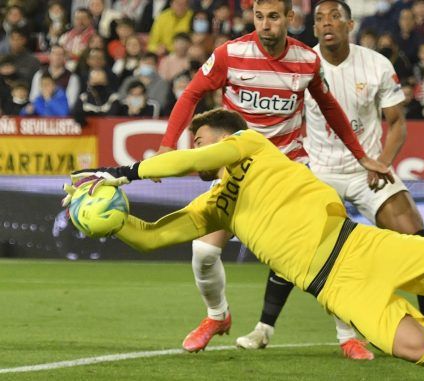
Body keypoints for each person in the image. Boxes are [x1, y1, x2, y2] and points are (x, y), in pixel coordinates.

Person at [65, 107, 424, 381]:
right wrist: (109, 221)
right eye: (198, 145)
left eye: (203, 139)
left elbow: (188, 160)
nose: (199, 151)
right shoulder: (217, 206)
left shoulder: (252, 145)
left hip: (362, 245)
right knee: (415, 350)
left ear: (226, 136)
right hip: (337, 286)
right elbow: (153, 235)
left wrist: (123, 171)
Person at [155, 0, 391, 357]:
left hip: (287, 173)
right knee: (203, 251)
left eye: (274, 17)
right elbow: (191, 94)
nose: (266, 24)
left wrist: (362, 156)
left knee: (325, 252)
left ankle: (348, 336)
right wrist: (167, 144)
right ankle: (217, 316)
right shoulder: (230, 54)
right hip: (239, 172)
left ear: (290, 19)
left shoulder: (306, 61)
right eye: (260, 17)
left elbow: (330, 109)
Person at [235, 0, 424, 360]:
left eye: (335, 17)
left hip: (366, 171)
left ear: (350, 26)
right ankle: (264, 328)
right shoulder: (299, 64)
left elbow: (397, 123)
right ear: (313, 28)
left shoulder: (376, 64)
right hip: (318, 171)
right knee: (292, 246)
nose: (327, 23)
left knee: (415, 234)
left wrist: (382, 163)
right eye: (319, 18)